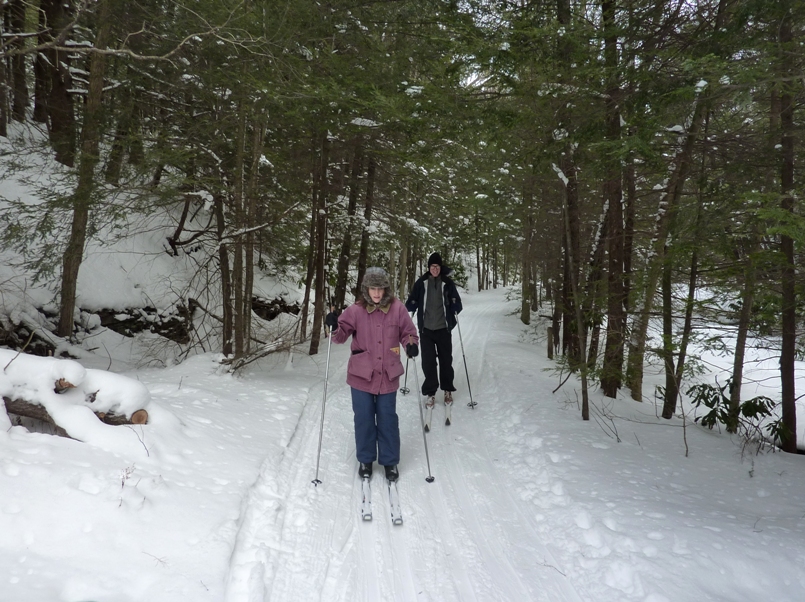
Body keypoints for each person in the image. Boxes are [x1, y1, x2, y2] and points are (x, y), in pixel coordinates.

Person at [331, 267, 419, 482]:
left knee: (388, 418)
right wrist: (333, 325)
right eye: (372, 288)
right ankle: (366, 459)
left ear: (386, 289)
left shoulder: (397, 308)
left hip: (387, 374)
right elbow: (340, 336)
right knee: (364, 418)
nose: (377, 293)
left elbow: (409, 332)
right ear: (366, 289)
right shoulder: (355, 310)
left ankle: (390, 462)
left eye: (380, 288)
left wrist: (411, 345)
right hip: (361, 375)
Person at [405, 252, 462, 409]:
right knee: (428, 362)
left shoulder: (447, 283)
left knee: (445, 361)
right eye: (432, 266)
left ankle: (447, 390)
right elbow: (411, 301)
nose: (435, 269)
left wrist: (455, 307)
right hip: (426, 329)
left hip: (443, 328)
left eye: (437, 266)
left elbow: (457, 302)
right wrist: (410, 304)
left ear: (440, 267)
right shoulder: (421, 283)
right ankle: (430, 392)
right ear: (429, 267)